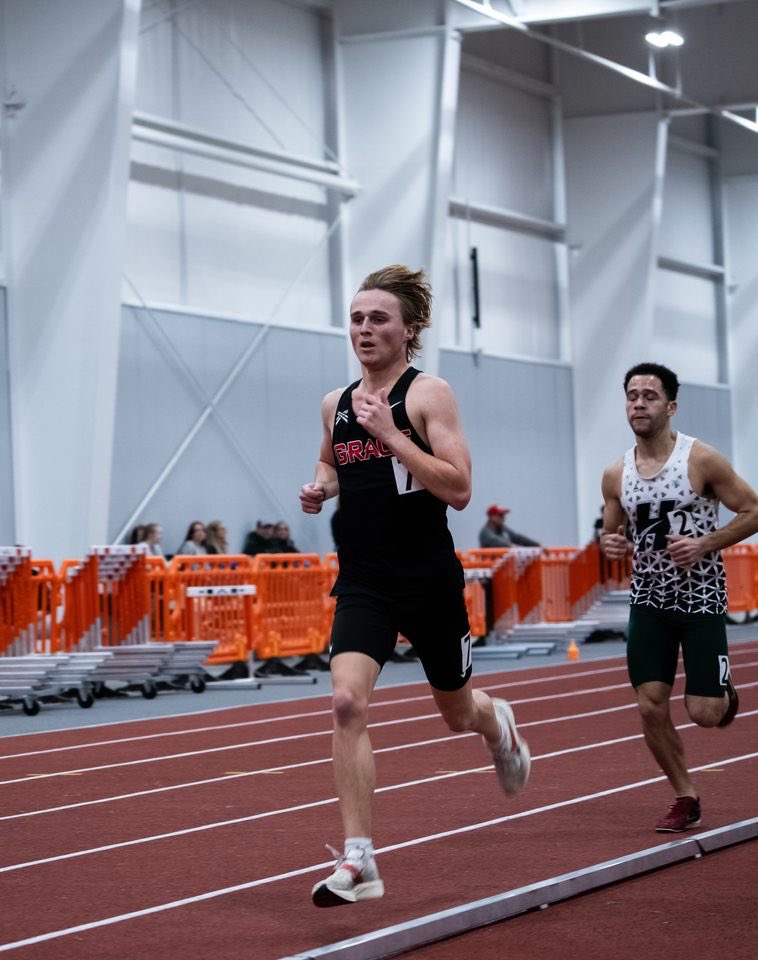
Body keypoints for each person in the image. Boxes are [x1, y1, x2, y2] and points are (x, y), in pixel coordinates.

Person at [300, 264, 530, 908]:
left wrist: (392, 435)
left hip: (427, 578)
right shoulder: (335, 403)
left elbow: (458, 490)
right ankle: (359, 861)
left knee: (457, 713)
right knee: (346, 702)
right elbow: (332, 457)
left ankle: (498, 726)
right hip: (365, 578)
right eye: (356, 318)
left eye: (378, 319)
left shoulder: (429, 395)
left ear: (409, 329)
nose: (364, 329)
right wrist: (322, 485)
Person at [600, 361, 758, 833]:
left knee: (706, 714)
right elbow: (612, 535)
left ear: (670, 406)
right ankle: (685, 794)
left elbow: (752, 510)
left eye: (649, 395)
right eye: (632, 395)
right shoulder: (615, 474)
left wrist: (705, 543)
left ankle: (722, 691)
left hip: (701, 598)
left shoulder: (701, 460)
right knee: (650, 704)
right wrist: (610, 545)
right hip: (648, 600)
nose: (639, 403)